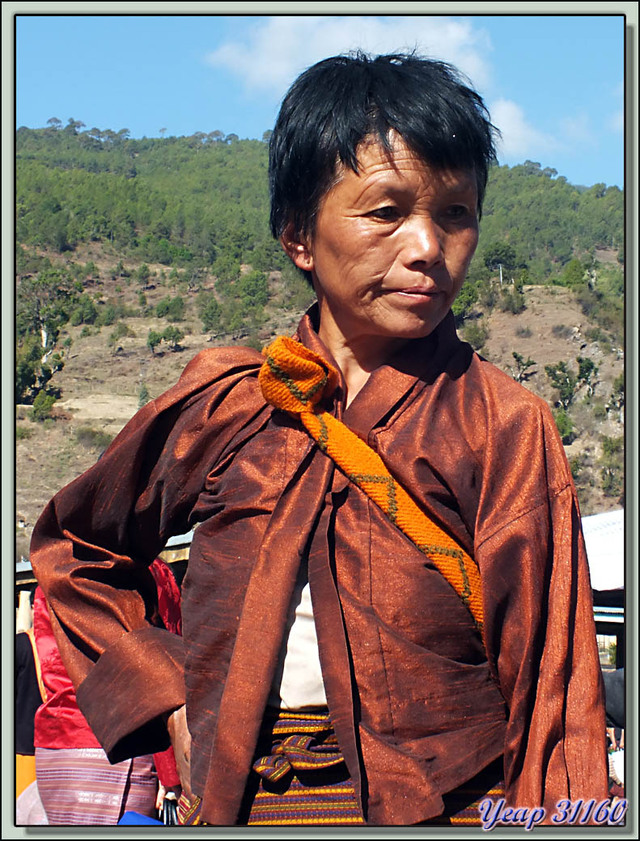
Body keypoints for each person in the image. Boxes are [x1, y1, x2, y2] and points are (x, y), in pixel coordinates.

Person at [30, 51, 608, 826]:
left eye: (455, 213)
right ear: (299, 236)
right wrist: (168, 700)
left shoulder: (500, 422)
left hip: (452, 810)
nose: (427, 247)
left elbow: (551, 680)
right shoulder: (230, 404)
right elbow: (76, 548)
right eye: (386, 211)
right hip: (239, 808)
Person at [30, 559, 182, 825]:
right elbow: (161, 673)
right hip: (119, 746)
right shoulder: (142, 567)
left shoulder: (50, 570)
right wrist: (170, 770)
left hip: (55, 748)